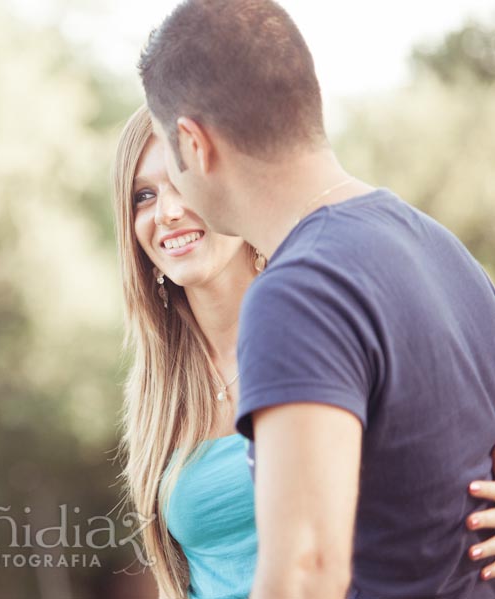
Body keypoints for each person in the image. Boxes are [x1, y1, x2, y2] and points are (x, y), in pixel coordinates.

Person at [135, 1, 495, 598]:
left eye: (172, 158)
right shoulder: (440, 247)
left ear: (194, 144)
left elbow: (304, 576)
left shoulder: (297, 295)